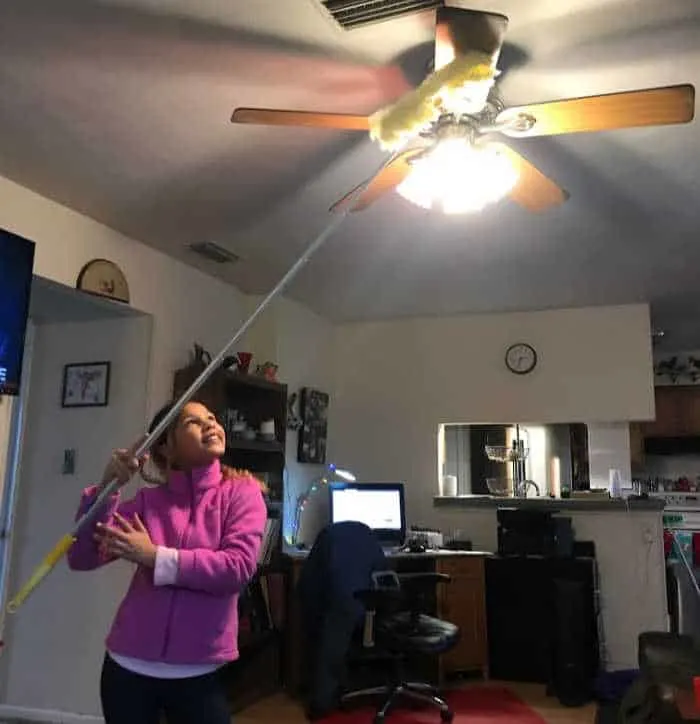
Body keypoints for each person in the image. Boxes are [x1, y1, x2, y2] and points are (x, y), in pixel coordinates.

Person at [67, 400, 268, 724]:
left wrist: (154, 557)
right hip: (126, 669)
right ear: (166, 446)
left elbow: (237, 568)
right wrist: (107, 488)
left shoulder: (241, 493)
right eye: (193, 421)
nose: (209, 424)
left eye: (212, 417)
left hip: (201, 674)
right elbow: (82, 557)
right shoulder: (148, 503)